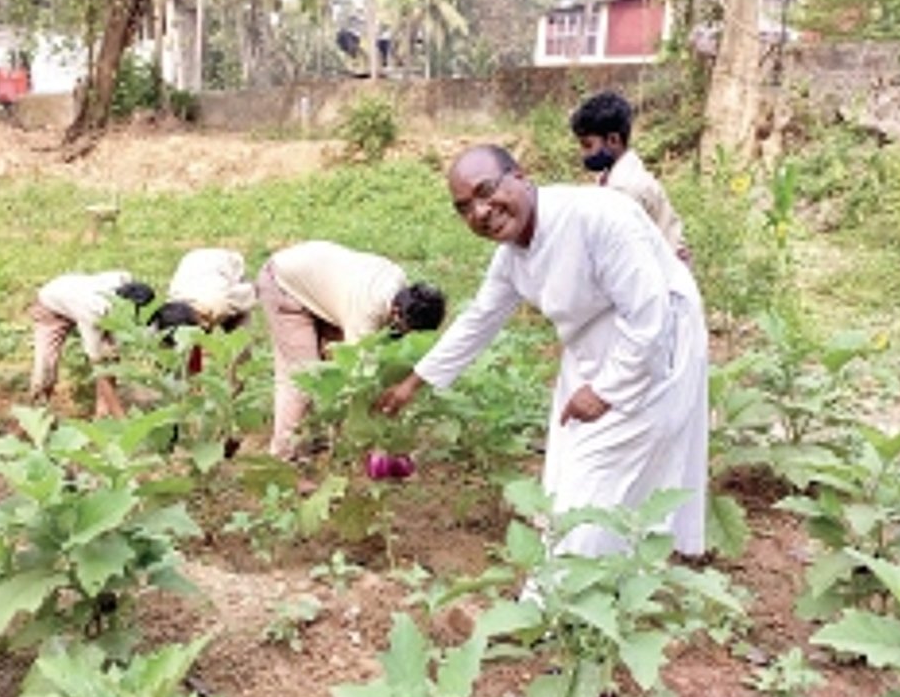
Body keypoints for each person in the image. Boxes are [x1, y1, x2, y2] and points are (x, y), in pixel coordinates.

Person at [375, 145, 708, 558]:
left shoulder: (598, 216)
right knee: (570, 467)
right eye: (464, 208)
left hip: (658, 342)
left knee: (603, 473)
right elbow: (479, 320)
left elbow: (649, 316)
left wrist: (606, 390)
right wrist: (413, 384)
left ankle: (568, 594)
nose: (480, 211)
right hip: (592, 343)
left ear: (521, 175)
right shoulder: (512, 256)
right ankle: (594, 573)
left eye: (486, 190)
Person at [256, 240, 446, 460]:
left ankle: (315, 434)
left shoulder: (399, 283)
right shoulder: (365, 311)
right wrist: (367, 423)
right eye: (406, 329)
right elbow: (356, 375)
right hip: (283, 284)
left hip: (319, 277)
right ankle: (283, 455)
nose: (406, 335)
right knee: (301, 375)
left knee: (325, 366)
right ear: (396, 312)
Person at [570, 90, 691, 263]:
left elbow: (622, 253)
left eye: (588, 145)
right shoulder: (612, 176)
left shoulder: (626, 188)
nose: (583, 153)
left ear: (613, 140)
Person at [29, 270, 154, 418]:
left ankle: (102, 413)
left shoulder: (125, 282)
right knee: (45, 370)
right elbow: (99, 367)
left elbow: (111, 360)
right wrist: (121, 417)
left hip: (76, 297)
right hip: (50, 308)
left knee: (112, 355)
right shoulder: (93, 313)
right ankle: (36, 416)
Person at [148, 248, 258, 375]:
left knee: (240, 346)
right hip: (194, 264)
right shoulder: (166, 315)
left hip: (226, 265)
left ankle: (238, 384)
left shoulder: (222, 301)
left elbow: (252, 292)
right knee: (180, 353)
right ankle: (189, 381)